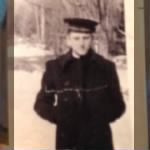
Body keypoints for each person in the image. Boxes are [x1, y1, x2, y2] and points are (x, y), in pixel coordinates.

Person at [34, 17, 126, 150]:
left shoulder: (106, 67)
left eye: (86, 38)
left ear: (92, 40)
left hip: (99, 141)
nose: (81, 44)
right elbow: (41, 103)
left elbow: (118, 105)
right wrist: (62, 117)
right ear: (68, 40)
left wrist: (99, 119)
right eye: (76, 38)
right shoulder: (55, 68)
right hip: (68, 141)